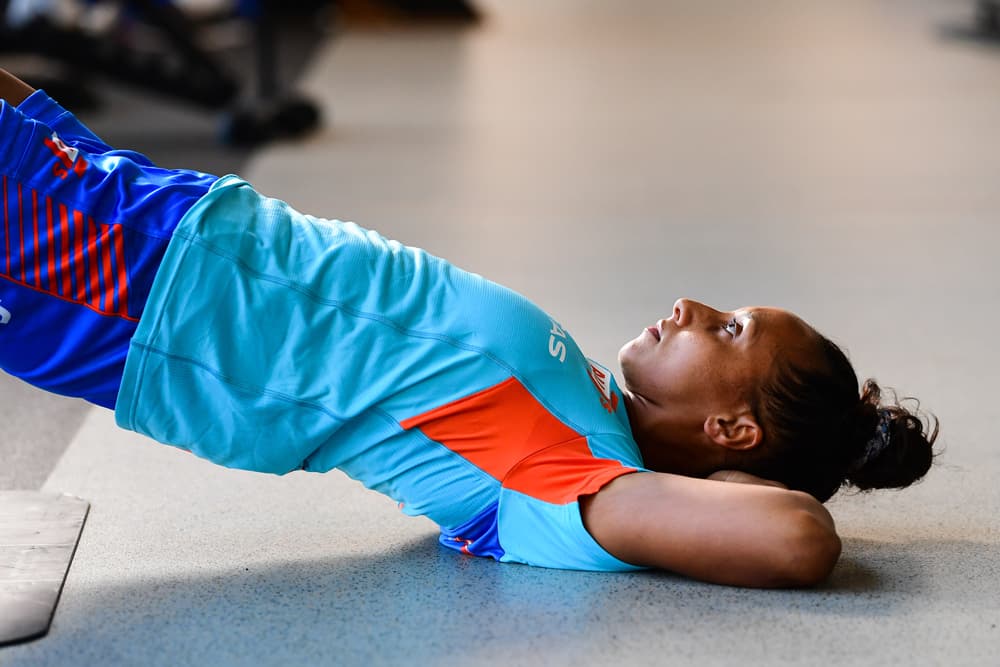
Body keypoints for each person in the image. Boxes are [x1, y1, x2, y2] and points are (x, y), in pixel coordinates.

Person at [0, 68, 938, 588]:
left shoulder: (576, 482)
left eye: (730, 330)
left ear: (733, 430)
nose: (692, 307)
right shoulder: (591, 413)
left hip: (142, 287)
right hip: (169, 225)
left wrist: (707, 485)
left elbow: (797, 538)